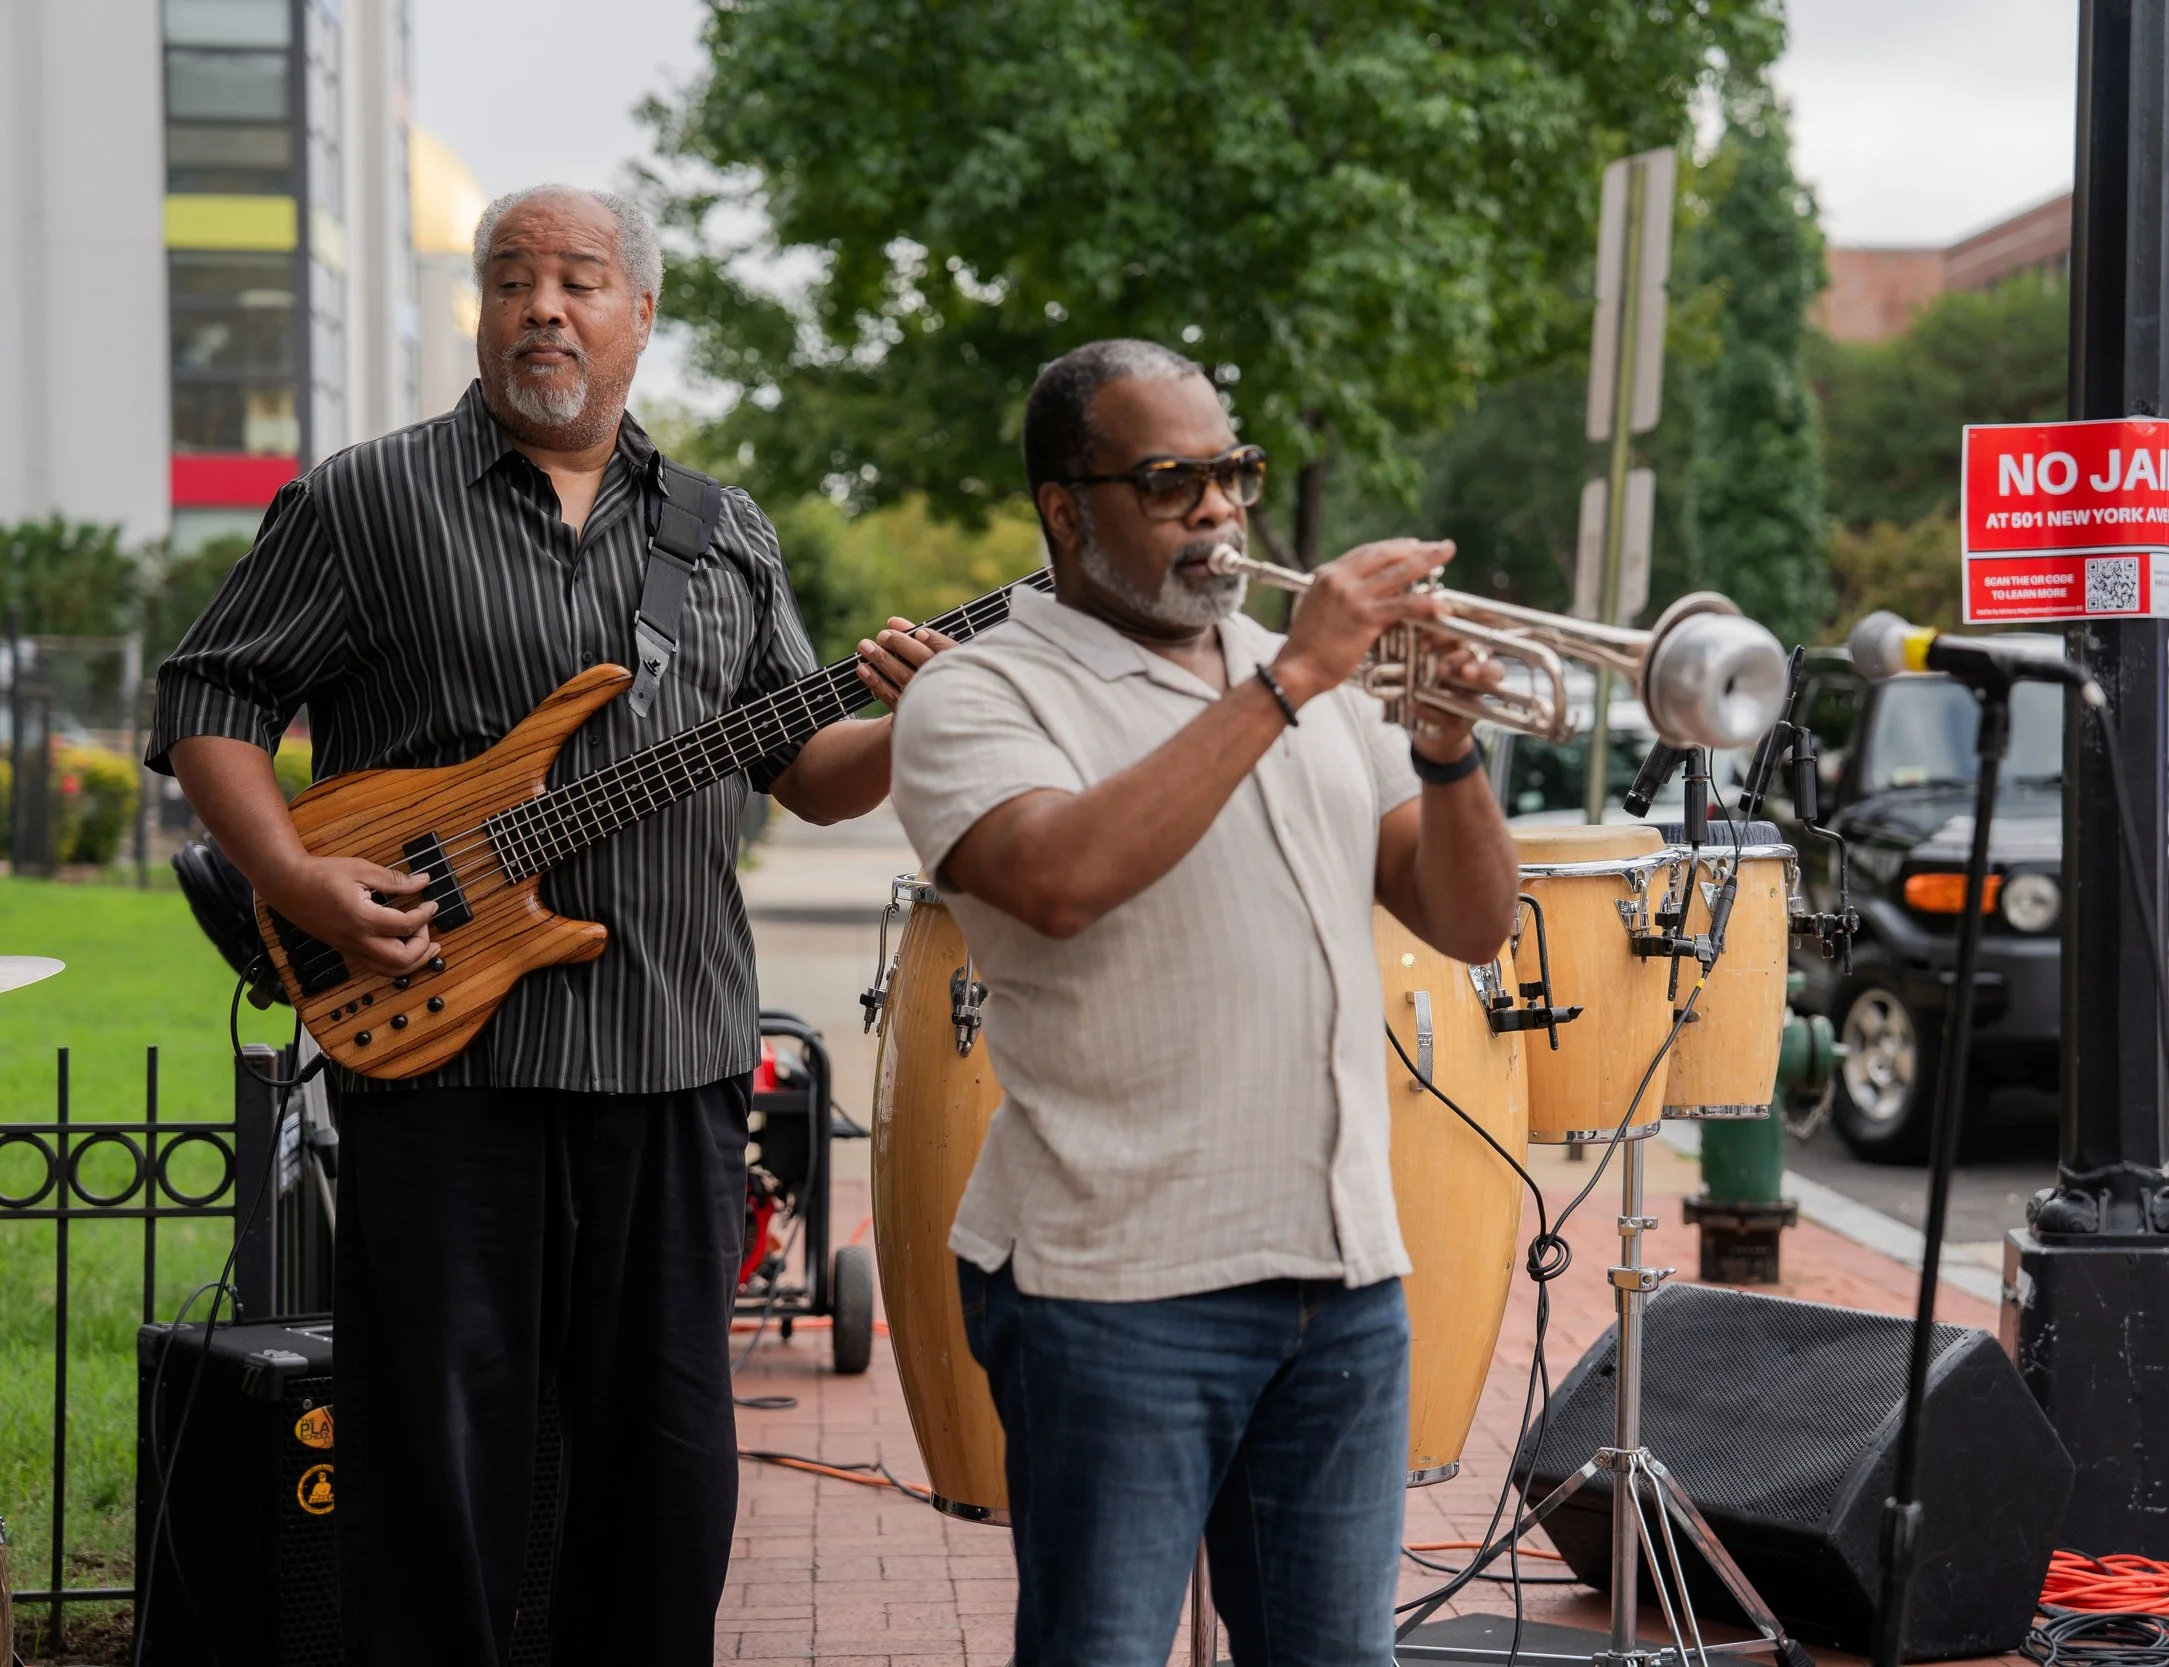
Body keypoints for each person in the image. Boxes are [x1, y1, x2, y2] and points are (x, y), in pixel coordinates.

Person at [150, 185, 945, 1664]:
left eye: (580, 280)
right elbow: (211, 698)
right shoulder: (367, 499)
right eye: (512, 278)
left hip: (673, 1056)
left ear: (641, 315)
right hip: (446, 1066)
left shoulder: (725, 533)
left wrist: (916, 714)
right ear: (482, 310)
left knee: (666, 1463)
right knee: (432, 1461)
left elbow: (807, 773)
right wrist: (299, 876)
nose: (544, 307)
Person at [887, 338, 1521, 1666]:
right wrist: (1287, 679)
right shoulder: (978, 690)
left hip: (1343, 1275)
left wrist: (1451, 756)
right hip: (1117, 1284)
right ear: (1068, 509)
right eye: (1172, 481)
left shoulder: (1317, 687)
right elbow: (1061, 877)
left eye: (1232, 473)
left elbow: (1467, 919)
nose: (1220, 511)